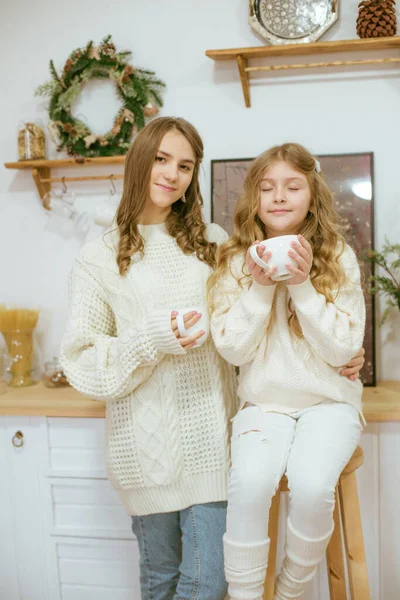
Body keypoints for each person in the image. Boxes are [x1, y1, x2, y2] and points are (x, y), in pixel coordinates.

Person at [60, 121, 365, 600]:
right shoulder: (98, 257)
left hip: (213, 441)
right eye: (161, 159)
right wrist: (153, 337)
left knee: (207, 583)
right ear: (139, 159)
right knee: (160, 579)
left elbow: (243, 338)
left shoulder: (214, 241)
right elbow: (82, 360)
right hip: (145, 447)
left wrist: (345, 353)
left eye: (185, 165)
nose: (172, 174)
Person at [208, 142, 366, 600]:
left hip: (329, 402)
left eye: (292, 186)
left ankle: (292, 588)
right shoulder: (236, 262)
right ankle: (243, 594)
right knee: (250, 485)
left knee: (314, 485)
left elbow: (342, 349)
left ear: (312, 196)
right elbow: (234, 350)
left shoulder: (337, 258)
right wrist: (258, 291)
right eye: (267, 188)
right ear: (254, 199)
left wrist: (302, 286)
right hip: (264, 403)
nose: (279, 196)